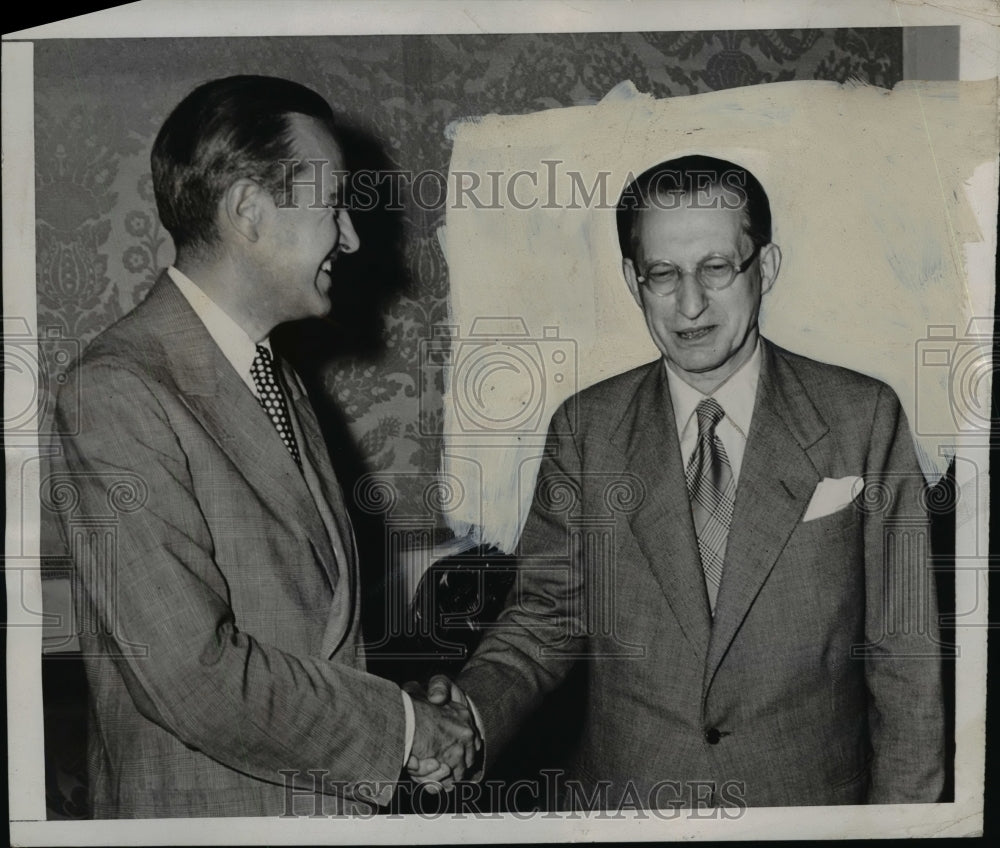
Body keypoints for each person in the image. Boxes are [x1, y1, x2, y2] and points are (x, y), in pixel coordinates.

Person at [416, 155, 945, 808]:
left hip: (806, 807)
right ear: (632, 281)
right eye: (662, 274)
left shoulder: (863, 417)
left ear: (767, 268)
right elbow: (545, 620)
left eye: (716, 269)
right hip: (626, 806)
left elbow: (905, 658)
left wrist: (907, 826)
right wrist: (470, 715)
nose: (689, 304)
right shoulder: (587, 430)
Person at [55, 75, 477, 818]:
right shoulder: (116, 392)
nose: (349, 237)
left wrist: (399, 713)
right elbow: (189, 675)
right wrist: (404, 730)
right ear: (249, 211)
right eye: (333, 205)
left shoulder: (270, 371)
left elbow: (307, 637)